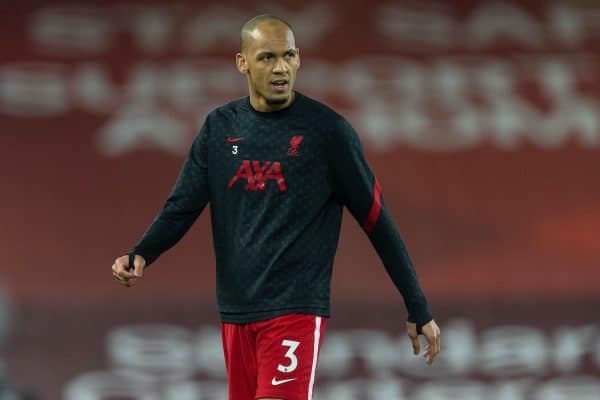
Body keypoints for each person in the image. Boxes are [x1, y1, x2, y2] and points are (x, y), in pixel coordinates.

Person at [111, 14, 441, 400]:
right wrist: (142, 253)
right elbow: (182, 205)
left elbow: (376, 220)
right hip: (237, 311)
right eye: (267, 57)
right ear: (243, 62)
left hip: (295, 308)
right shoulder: (220, 128)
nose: (281, 67)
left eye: (288, 56)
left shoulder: (327, 133)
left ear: (299, 59)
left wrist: (417, 305)